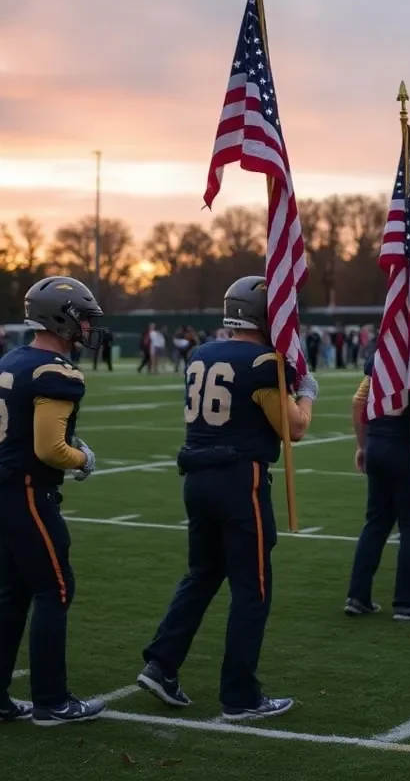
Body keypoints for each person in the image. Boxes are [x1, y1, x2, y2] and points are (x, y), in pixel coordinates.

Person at [139, 277, 316, 719]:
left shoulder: (202, 353)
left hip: (196, 478)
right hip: (240, 480)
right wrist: (306, 395)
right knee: (252, 587)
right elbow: (292, 427)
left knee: (202, 573)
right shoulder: (261, 362)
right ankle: (240, 694)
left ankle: (161, 663)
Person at [0, 276, 105, 726]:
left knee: (13, 592)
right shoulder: (55, 371)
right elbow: (50, 449)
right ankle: (52, 701)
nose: (87, 327)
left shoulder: (13, 359)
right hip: (28, 491)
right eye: (83, 318)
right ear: (61, 318)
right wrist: (82, 457)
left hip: (0, 487)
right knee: (55, 588)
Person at [346, 331, 410, 621]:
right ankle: (406, 602)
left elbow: (358, 400)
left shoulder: (381, 359)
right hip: (406, 447)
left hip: (378, 441)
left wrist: (363, 445)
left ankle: (357, 596)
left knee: (376, 523)